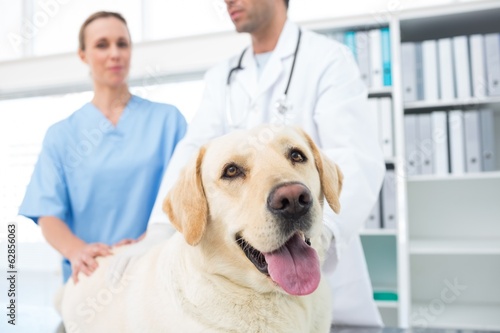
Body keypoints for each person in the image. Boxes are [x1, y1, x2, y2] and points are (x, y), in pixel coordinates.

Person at [115, 0, 385, 326]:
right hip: (243, 295)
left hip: (327, 286)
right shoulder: (223, 76)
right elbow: (193, 154)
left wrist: (324, 233)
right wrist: (157, 232)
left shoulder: (328, 59)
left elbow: (354, 157)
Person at [18, 11, 187, 284]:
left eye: (122, 44)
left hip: (156, 272)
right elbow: (46, 212)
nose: (115, 53)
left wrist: (156, 235)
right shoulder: (61, 135)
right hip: (90, 277)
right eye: (101, 44)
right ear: (83, 55)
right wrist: (76, 250)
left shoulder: (169, 121)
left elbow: (189, 194)